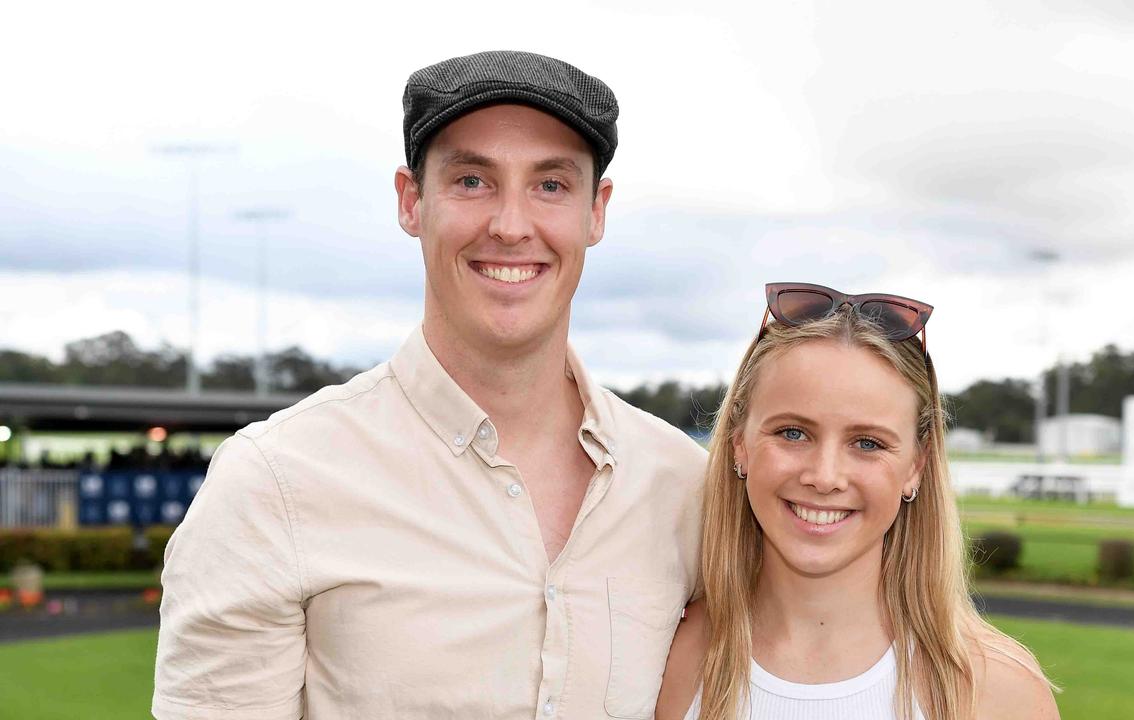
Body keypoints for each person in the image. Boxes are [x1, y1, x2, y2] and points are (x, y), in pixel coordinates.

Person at [153, 51, 705, 720]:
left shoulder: (684, 488)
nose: (510, 224)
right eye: (472, 180)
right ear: (412, 201)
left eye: (551, 185)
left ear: (597, 212)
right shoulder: (275, 484)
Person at [656, 283, 1059, 720]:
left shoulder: (996, 690)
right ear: (739, 444)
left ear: (916, 466)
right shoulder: (667, 658)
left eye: (867, 443)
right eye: (793, 433)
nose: (824, 477)